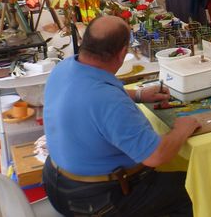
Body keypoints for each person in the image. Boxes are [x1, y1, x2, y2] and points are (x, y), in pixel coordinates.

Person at [43, 15, 199, 217]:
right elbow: (156, 156)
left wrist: (138, 94)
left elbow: (87, 95)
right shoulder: (107, 101)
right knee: (193, 186)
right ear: (122, 53)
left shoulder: (64, 68)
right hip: (96, 200)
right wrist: (182, 129)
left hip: (58, 182)